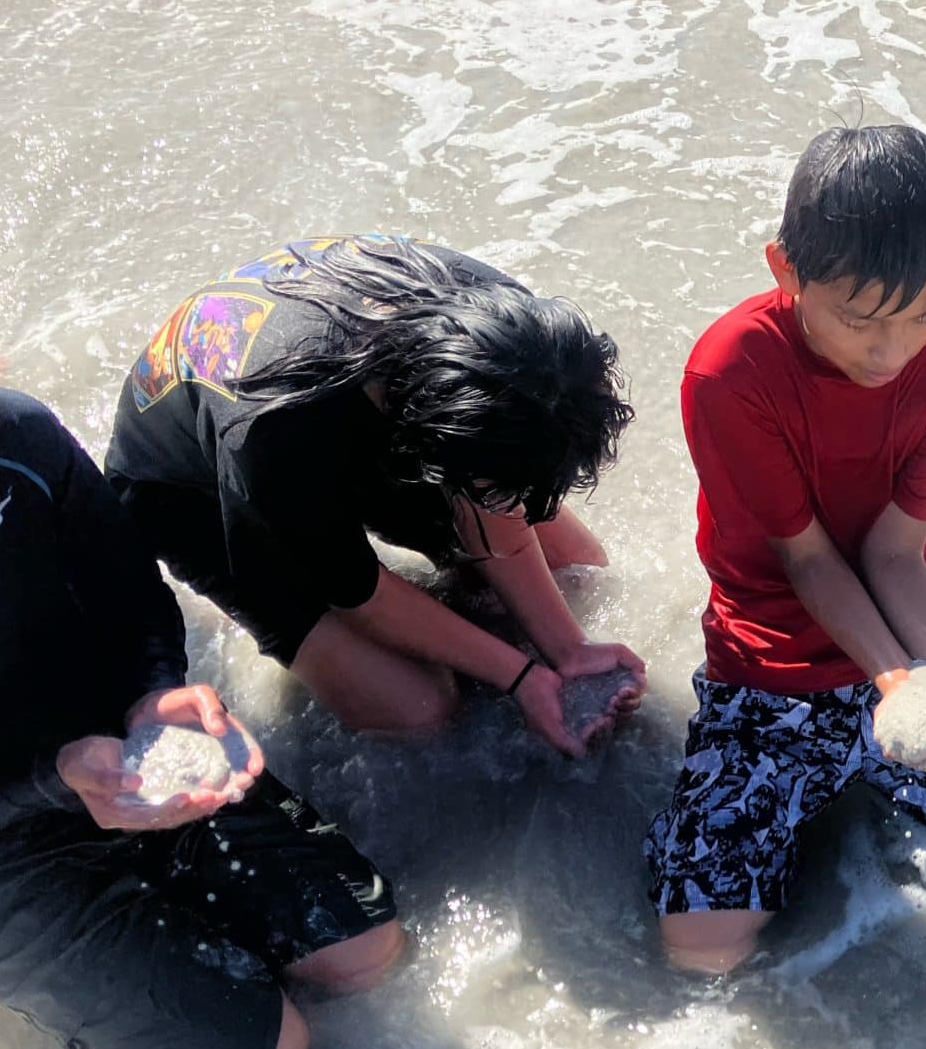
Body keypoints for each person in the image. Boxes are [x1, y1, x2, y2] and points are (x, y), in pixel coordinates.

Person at [645, 125, 926, 974]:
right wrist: (905, 692)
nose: (891, 353)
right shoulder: (731, 372)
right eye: (859, 321)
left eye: (923, 314)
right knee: (699, 951)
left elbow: (897, 549)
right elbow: (810, 559)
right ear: (785, 271)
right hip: (775, 654)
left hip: (920, 619)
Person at [0, 352, 405, 1049]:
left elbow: (128, 591)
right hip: (2, 858)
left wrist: (153, 698)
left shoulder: (24, 435)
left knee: (366, 955)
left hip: (116, 746)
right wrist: (55, 774)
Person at [105, 235, 645, 757]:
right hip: (192, 488)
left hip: (359, 396)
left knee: (576, 567)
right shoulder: (274, 433)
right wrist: (521, 676)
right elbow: (357, 592)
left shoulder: (523, 340)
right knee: (421, 710)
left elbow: (495, 505)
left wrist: (568, 650)